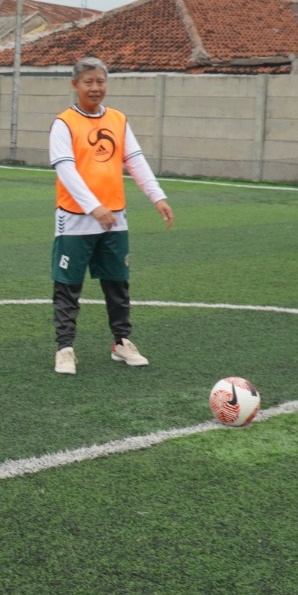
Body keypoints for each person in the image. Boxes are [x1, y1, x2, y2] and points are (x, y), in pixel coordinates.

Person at [49, 57, 174, 375]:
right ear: (75, 85)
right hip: (76, 218)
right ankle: (65, 348)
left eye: (100, 81)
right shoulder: (64, 123)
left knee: (117, 283)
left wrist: (157, 196)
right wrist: (94, 207)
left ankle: (121, 342)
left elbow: (135, 160)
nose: (95, 87)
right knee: (68, 286)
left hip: (115, 217)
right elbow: (66, 169)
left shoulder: (118, 120)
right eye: (88, 82)